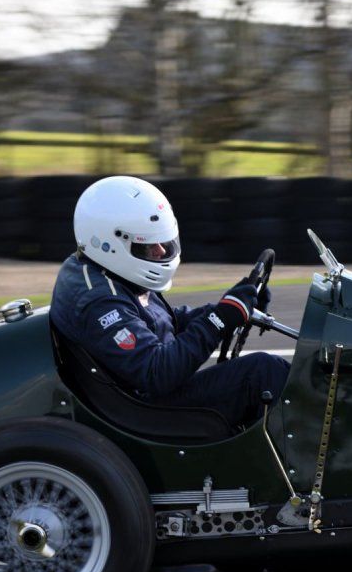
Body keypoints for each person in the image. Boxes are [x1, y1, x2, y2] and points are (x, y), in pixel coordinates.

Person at [49, 175, 288, 425]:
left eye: (161, 242)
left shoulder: (104, 272)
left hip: (143, 395)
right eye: (148, 245)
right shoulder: (99, 302)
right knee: (263, 372)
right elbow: (156, 373)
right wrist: (218, 321)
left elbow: (159, 322)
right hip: (143, 411)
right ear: (109, 243)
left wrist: (225, 309)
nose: (161, 251)